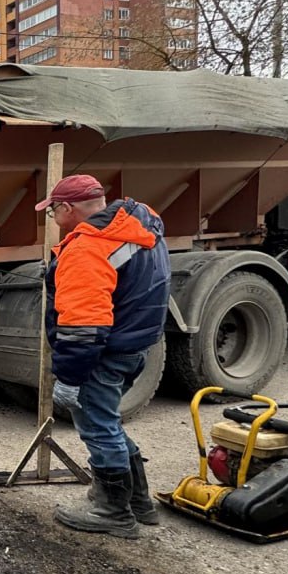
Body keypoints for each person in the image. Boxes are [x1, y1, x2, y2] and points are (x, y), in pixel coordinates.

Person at [38, 174, 171, 539]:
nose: (52, 218)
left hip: (103, 352)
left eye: (52, 211)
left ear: (68, 209)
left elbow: (83, 327)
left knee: (98, 428)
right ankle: (139, 502)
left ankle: (113, 513)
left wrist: (69, 377)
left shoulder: (87, 248)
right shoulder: (136, 222)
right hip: (133, 343)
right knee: (108, 422)